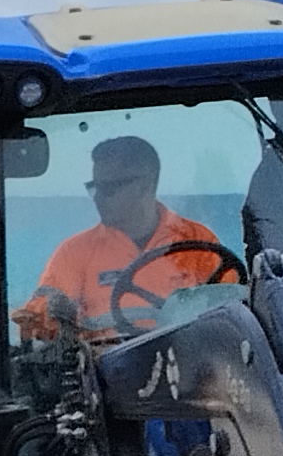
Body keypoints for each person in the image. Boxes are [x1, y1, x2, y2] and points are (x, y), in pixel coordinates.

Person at [17, 135, 235, 340]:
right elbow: (37, 317)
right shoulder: (74, 252)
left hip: (187, 366)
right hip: (106, 373)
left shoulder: (198, 241)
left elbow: (232, 306)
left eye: (109, 188)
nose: (98, 198)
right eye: (94, 187)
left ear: (146, 185)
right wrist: (49, 312)